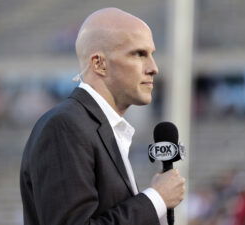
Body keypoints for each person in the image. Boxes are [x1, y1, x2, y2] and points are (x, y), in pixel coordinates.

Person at [20, 8, 185, 225]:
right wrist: (156, 199)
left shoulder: (97, 127)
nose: (153, 68)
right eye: (139, 54)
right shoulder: (65, 126)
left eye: (152, 54)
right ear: (99, 63)